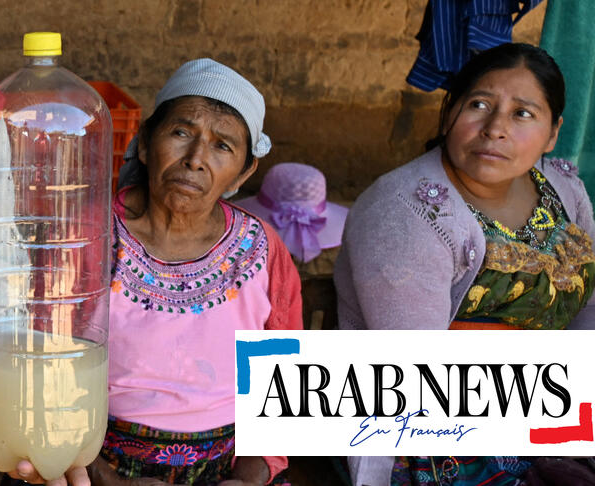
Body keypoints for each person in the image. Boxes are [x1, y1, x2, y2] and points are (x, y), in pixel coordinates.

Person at [334, 43, 595, 486]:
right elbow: (417, 374)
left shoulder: (562, 189)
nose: (495, 129)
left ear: (553, 134)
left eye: (523, 114)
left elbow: (589, 310)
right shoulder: (407, 212)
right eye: (479, 105)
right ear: (448, 111)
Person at [81, 59, 303, 485]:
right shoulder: (87, 238)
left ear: (245, 170)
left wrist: (249, 478)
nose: (196, 159)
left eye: (223, 146)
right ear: (145, 142)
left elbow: (280, 394)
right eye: (182, 133)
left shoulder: (262, 250)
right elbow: (42, 376)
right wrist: (108, 479)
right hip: (94, 469)